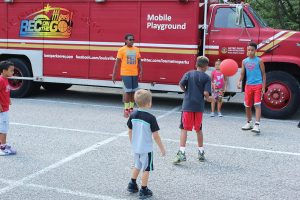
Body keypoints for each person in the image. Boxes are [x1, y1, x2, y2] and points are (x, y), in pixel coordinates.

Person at [173, 56, 213, 164]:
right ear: (206, 67)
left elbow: (181, 84)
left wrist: (186, 91)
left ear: (196, 64)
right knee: (198, 129)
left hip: (187, 105)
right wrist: (212, 99)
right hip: (198, 106)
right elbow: (206, 94)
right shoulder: (206, 78)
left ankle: (181, 152)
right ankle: (201, 152)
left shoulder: (189, 74)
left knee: (184, 129)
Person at [126, 89, 165, 199]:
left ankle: (132, 184)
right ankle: (144, 189)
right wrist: (162, 149)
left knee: (137, 165)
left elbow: (129, 130)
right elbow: (156, 135)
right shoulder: (151, 118)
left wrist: (132, 142)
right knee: (146, 168)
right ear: (149, 103)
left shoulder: (133, 115)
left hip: (136, 147)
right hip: (146, 149)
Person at [237, 42, 266, 134]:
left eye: (252, 50)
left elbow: (263, 74)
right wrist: (239, 81)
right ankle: (249, 123)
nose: (250, 52)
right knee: (247, 105)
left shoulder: (259, 61)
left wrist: (263, 87)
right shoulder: (244, 61)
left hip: (258, 85)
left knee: (257, 105)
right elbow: (242, 73)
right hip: (248, 85)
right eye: (248, 50)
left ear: (255, 51)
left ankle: (257, 125)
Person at [112, 34, 143, 118]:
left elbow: (139, 61)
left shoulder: (136, 49)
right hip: (125, 74)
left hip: (134, 74)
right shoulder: (121, 50)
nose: (132, 41)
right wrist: (114, 74)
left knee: (133, 92)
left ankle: (131, 109)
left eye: (133, 39)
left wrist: (141, 71)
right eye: (130, 39)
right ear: (125, 40)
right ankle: (126, 109)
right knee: (128, 92)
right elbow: (117, 62)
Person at [0, 61, 16, 156]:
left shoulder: (5, 79)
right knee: (4, 129)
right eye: (11, 71)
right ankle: (3, 147)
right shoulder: (1, 80)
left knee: (2, 127)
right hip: (2, 109)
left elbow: (5, 91)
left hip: (5, 107)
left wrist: (8, 99)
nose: (13, 73)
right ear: (4, 71)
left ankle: (1, 144)